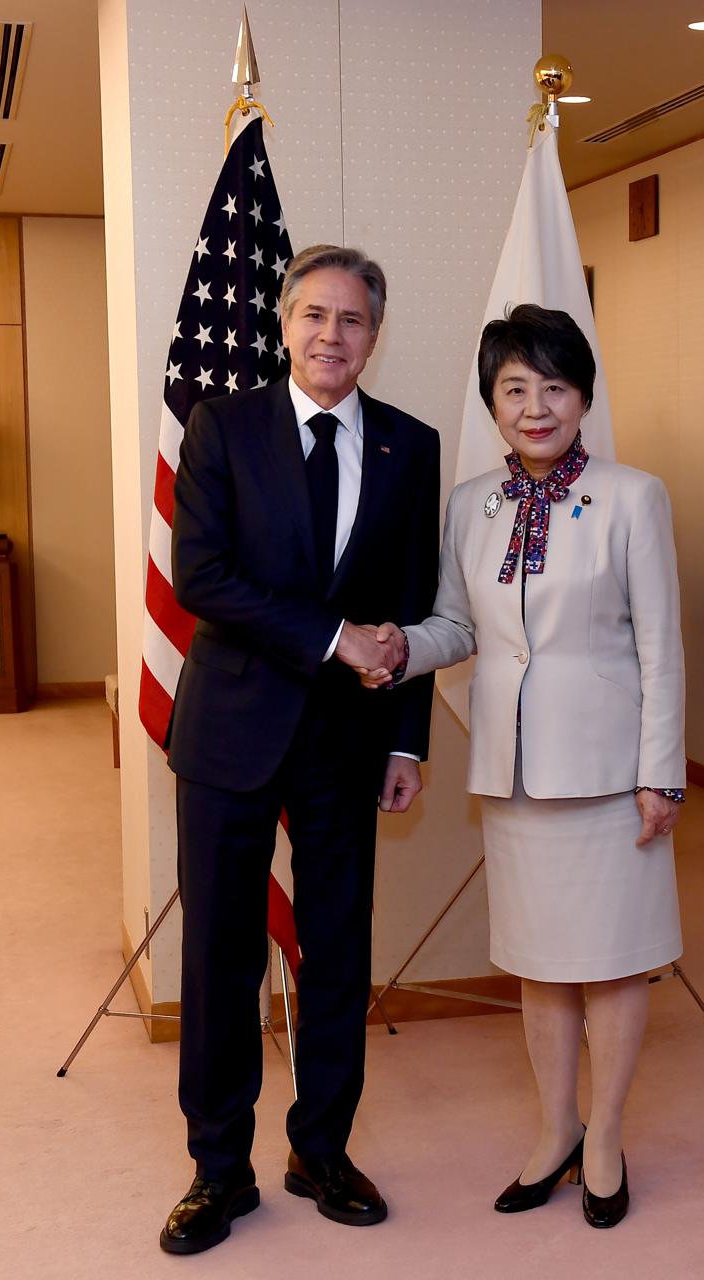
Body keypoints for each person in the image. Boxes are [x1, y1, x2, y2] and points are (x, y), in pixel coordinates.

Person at [360, 303, 686, 1229]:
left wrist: (662, 772)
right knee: (542, 966)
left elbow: (663, 647)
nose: (534, 407)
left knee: (615, 965)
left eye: (553, 386)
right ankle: (554, 1132)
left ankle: (608, 1138)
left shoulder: (635, 498)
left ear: (582, 396)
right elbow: (458, 629)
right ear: (491, 402)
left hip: (613, 776)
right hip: (512, 775)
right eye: (514, 389)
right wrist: (394, 646)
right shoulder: (472, 505)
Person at [159, 245, 437, 1255]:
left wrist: (408, 739)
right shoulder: (221, 428)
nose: (332, 334)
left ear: (375, 332)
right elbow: (202, 577)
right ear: (284, 323)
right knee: (221, 955)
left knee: (336, 957)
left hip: (347, 743)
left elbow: (411, 606)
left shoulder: (412, 445)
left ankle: (321, 1147)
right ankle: (216, 1168)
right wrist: (331, 638)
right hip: (231, 730)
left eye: (353, 319)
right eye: (315, 314)